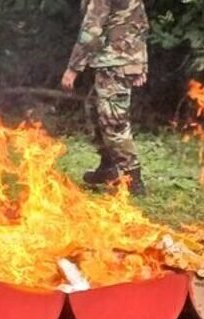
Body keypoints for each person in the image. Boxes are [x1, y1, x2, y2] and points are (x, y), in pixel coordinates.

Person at [61, 0, 149, 196]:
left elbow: (91, 30)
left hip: (115, 63)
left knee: (113, 121)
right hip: (118, 61)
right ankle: (108, 167)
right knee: (96, 111)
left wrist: (73, 69)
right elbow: (140, 23)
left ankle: (133, 179)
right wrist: (140, 63)